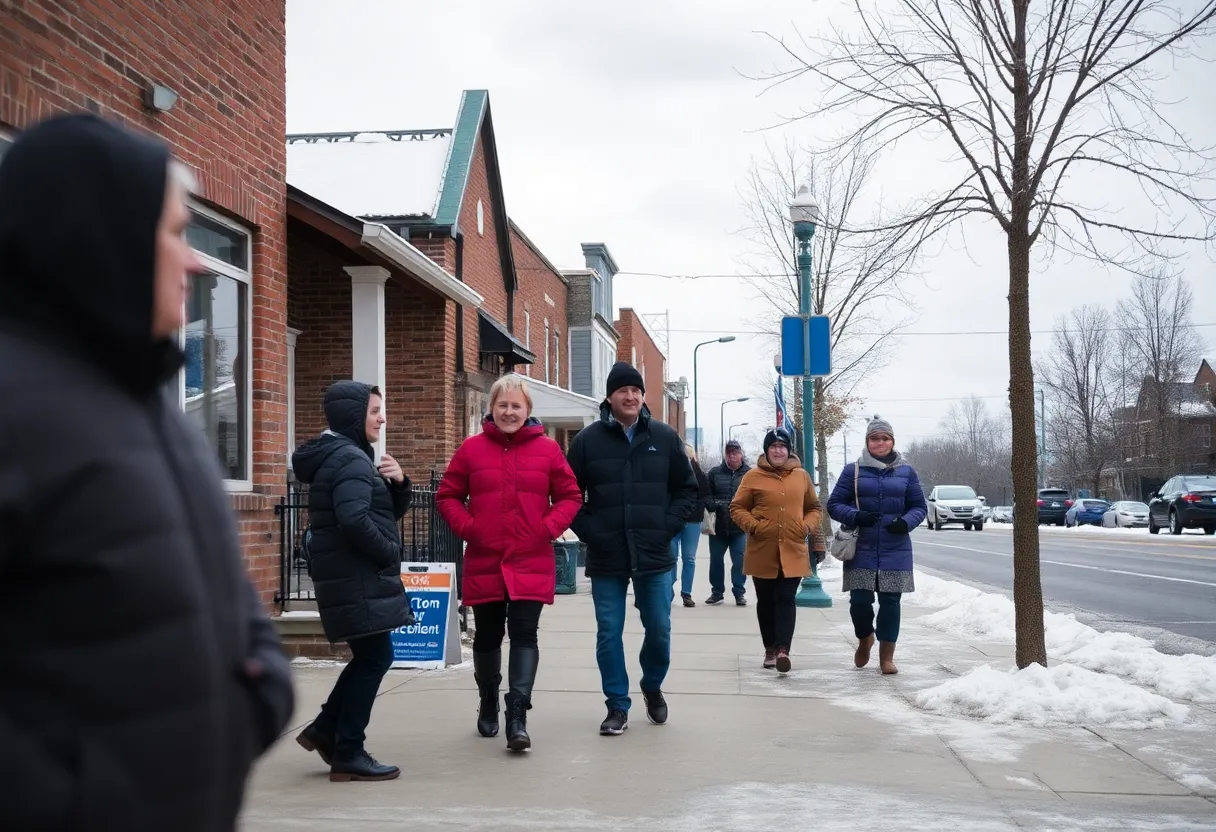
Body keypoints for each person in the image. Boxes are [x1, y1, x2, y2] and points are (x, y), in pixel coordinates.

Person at [0, 114, 294, 829]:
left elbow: (216, 582)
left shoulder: (155, 405)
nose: (197, 262)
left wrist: (261, 686)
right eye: (173, 233)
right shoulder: (16, 409)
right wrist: (72, 796)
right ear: (99, 242)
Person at [436, 374, 582, 751]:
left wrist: (547, 528)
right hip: (486, 558)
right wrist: (470, 528)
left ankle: (517, 713)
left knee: (524, 634)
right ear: (492, 409)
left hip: (530, 558)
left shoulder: (548, 451)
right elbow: (447, 496)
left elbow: (570, 496)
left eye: (516, 405)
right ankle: (488, 697)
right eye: (502, 405)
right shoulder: (471, 449)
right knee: (486, 636)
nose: (509, 411)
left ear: (528, 410)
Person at [291, 381, 414, 781]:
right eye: (375, 410)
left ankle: (326, 730)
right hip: (356, 577)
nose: (383, 417)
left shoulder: (347, 457)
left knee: (370, 657)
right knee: (376, 658)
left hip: (349, 576)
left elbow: (371, 514)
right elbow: (355, 520)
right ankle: (348, 749)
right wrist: (390, 553)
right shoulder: (350, 460)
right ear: (353, 415)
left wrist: (399, 486)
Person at [567, 362, 698, 736]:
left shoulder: (664, 437)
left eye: (636, 390)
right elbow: (568, 494)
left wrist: (666, 526)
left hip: (654, 552)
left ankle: (652, 685)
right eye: (622, 390)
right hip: (607, 553)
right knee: (609, 631)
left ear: (643, 396)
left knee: (658, 627)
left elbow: (687, 489)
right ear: (609, 397)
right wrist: (591, 530)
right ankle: (616, 705)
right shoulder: (587, 441)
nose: (630, 396)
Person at [827, 416, 927, 675]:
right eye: (875, 438)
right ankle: (864, 639)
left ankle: (887, 656)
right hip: (861, 547)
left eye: (884, 438)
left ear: (892, 441)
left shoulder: (907, 471)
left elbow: (919, 507)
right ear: (867, 442)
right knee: (859, 600)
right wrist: (854, 515)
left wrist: (905, 522)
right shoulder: (853, 470)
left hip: (896, 549)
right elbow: (834, 504)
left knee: (891, 602)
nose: (880, 442)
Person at [729, 428, 821, 673]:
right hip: (762, 548)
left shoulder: (801, 476)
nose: (778, 450)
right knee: (767, 601)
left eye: (782, 446)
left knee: (786, 599)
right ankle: (769, 647)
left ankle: (783, 650)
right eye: (773, 447)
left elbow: (814, 507)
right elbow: (737, 508)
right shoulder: (752, 476)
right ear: (766, 450)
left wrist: (806, 526)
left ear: (788, 450)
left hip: (793, 547)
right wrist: (754, 526)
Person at [705, 438, 751, 606]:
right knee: (716, 560)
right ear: (725, 454)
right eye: (729, 452)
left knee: (739, 561)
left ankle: (739, 592)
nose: (732, 455)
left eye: (736, 452)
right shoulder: (714, 473)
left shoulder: (750, 474)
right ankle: (717, 592)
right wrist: (714, 504)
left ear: (741, 454)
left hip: (739, 528)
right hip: (718, 527)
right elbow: (706, 495)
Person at [670, 443, 710, 607]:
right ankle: (668, 590)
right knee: (671, 558)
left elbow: (705, 495)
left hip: (692, 522)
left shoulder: (699, 475)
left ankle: (686, 593)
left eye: (687, 455)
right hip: (673, 520)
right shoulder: (670, 472)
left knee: (689, 558)